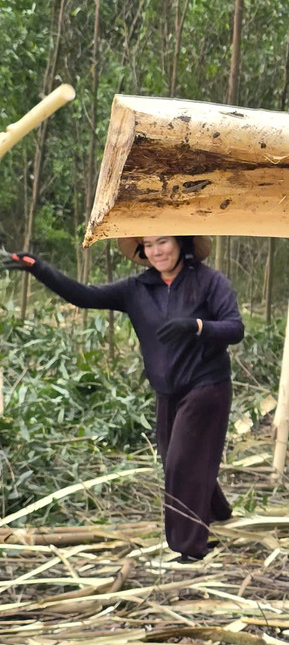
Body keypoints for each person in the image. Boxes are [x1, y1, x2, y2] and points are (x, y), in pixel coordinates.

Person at [2, 235, 244, 563]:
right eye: (149, 245)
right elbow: (84, 296)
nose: (156, 251)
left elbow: (235, 328)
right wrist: (38, 268)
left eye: (163, 242)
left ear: (181, 242)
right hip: (167, 390)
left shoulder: (209, 282)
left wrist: (197, 325)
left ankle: (189, 549)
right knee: (176, 460)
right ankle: (217, 513)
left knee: (182, 463)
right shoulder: (137, 289)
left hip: (207, 384)